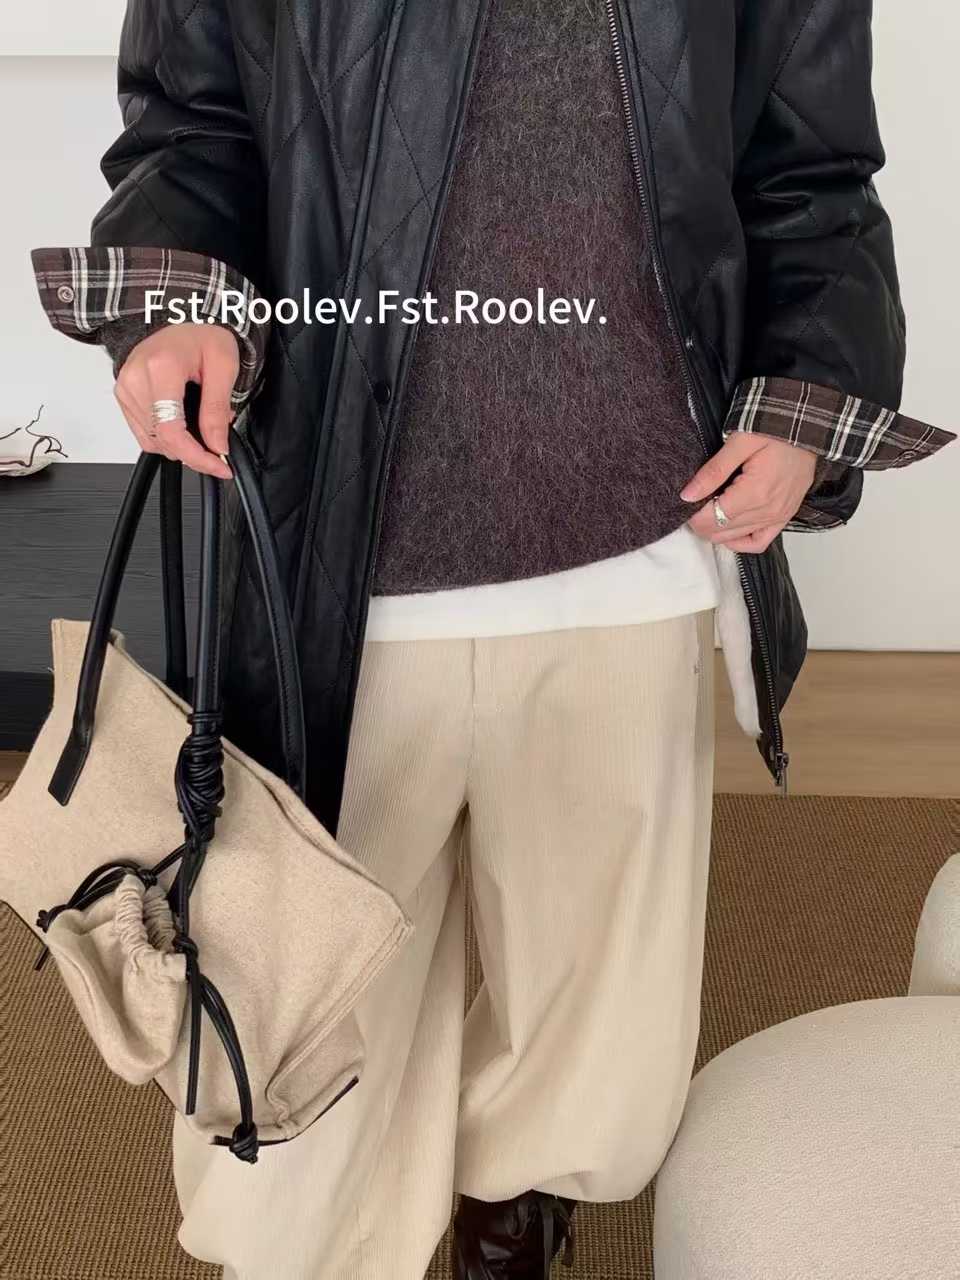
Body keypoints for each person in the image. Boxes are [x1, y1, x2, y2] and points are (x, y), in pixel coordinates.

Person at [31, 0, 953, 1276]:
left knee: (593, 1031)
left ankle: (508, 1212)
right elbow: (193, 122)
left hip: (633, 539)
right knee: (291, 1053)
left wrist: (804, 395)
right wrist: (177, 297)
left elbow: (811, 172)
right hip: (337, 540)